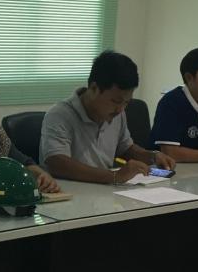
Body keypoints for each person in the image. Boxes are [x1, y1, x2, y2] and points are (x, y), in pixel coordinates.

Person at [40, 50, 175, 185]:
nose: (120, 109)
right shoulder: (60, 115)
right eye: (116, 101)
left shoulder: (118, 113)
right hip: (71, 191)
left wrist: (152, 156)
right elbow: (57, 163)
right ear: (94, 88)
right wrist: (113, 176)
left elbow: (126, 148)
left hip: (105, 191)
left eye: (126, 102)